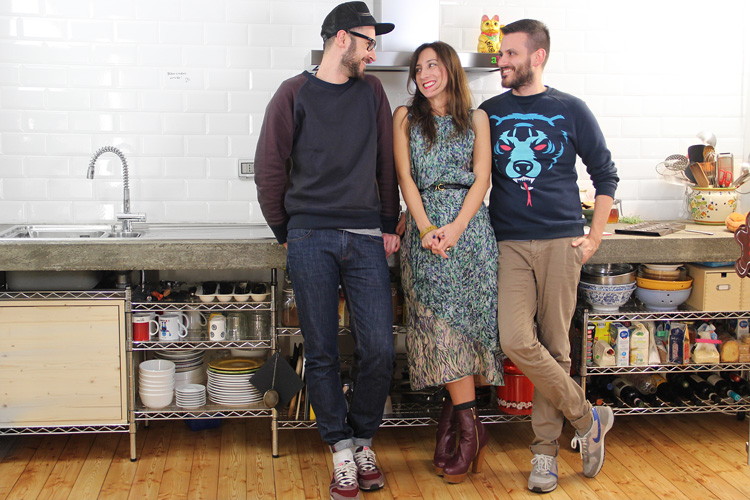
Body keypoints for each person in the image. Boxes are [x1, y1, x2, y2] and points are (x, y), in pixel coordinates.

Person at [253, 3, 400, 500]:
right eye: (369, 42)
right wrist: (285, 228)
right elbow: (269, 167)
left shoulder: (372, 92)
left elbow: (385, 162)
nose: (373, 53)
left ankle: (362, 441)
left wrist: (387, 222)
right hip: (310, 237)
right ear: (342, 38)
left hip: (365, 237)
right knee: (321, 352)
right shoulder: (292, 93)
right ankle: (340, 451)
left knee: (379, 348)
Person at [479, 19, 619, 494]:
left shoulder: (570, 109)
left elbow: (605, 174)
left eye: (510, 53)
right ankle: (587, 417)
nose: (501, 61)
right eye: (500, 53)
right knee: (517, 340)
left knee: (556, 348)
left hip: (562, 241)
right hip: (509, 242)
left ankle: (544, 454)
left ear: (537, 57)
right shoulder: (490, 112)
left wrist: (594, 236)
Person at [393, 41, 503, 485]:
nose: (424, 74)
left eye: (432, 65)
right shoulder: (405, 117)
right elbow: (405, 178)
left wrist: (456, 228)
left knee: (465, 332)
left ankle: (455, 431)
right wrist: (424, 229)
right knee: (439, 332)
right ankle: (472, 431)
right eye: (418, 68)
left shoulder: (477, 119)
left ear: (451, 69)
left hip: (470, 233)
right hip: (425, 234)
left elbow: (482, 178)